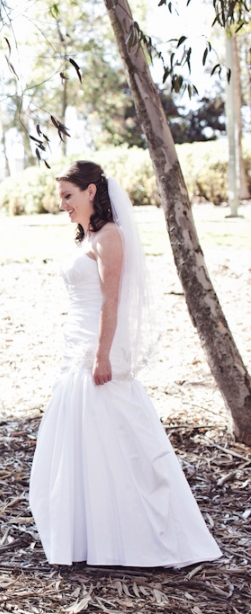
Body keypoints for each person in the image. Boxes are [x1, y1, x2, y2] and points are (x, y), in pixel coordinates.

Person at [29, 160, 221, 567]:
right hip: (76, 346)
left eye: (69, 195)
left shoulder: (110, 238)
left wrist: (101, 355)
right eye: (60, 196)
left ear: (92, 191)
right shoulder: (89, 237)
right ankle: (87, 536)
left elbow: (111, 302)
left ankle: (144, 535)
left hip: (99, 350)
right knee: (85, 441)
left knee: (121, 440)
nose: (63, 204)